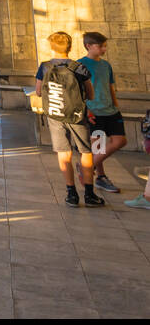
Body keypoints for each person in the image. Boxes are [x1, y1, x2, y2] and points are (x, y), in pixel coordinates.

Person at [34, 31, 103, 207]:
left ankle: (71, 193)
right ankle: (89, 194)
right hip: (77, 116)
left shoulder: (44, 67)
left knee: (64, 154)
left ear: (51, 47)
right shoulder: (79, 67)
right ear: (70, 47)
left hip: (55, 115)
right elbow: (90, 94)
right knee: (85, 152)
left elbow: (39, 91)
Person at [79, 32, 125, 194]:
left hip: (111, 111)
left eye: (105, 46)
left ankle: (86, 166)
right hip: (94, 112)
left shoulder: (106, 65)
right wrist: (87, 109)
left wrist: (116, 105)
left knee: (120, 141)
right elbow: (77, 91)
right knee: (98, 146)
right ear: (89, 46)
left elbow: (110, 86)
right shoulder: (80, 65)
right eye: (101, 46)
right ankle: (101, 177)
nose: (104, 49)